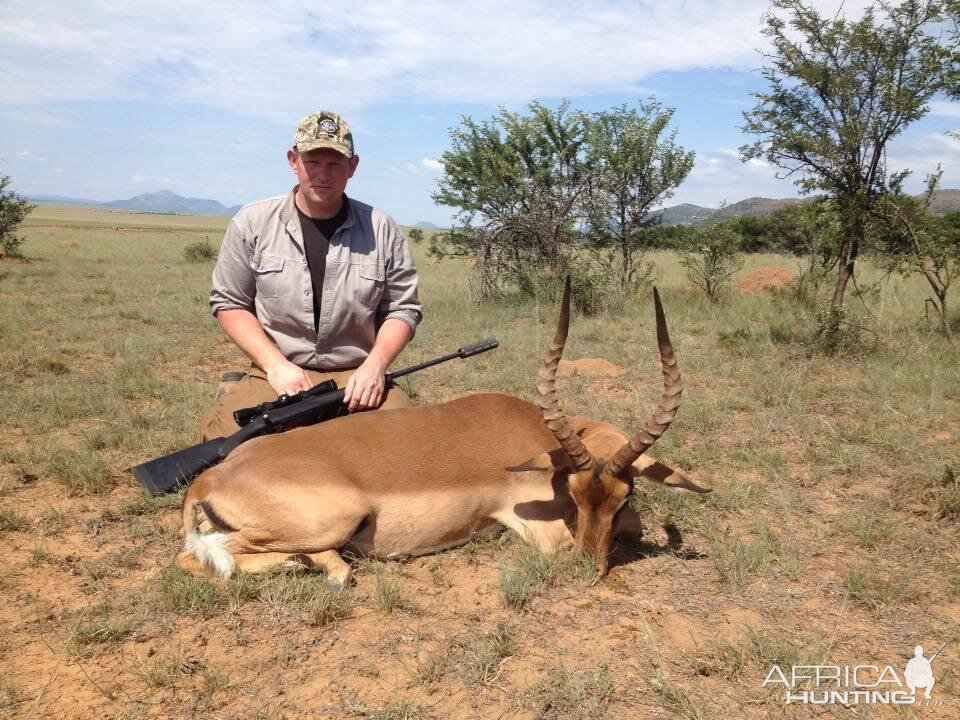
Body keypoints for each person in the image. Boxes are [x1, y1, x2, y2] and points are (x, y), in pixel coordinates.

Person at [198, 111, 422, 441]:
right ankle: (239, 388)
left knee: (409, 445)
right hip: (278, 373)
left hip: (355, 375)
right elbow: (229, 303)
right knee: (225, 449)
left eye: (334, 164)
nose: (322, 174)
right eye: (312, 161)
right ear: (294, 160)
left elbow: (404, 310)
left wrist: (375, 367)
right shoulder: (252, 222)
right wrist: (275, 366)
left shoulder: (382, 228)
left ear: (352, 167)